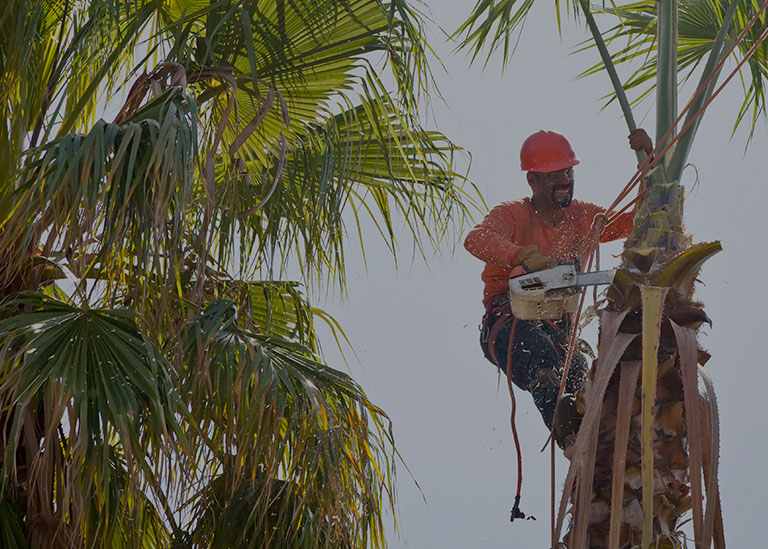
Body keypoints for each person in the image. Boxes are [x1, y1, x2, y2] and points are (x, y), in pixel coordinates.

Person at [464, 128, 653, 445]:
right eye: (554, 175)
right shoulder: (513, 214)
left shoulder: (582, 216)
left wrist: (649, 162)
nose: (565, 180)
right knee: (543, 364)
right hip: (509, 322)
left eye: (568, 171)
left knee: (587, 379)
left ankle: (604, 446)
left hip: (557, 332)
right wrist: (520, 255)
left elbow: (637, 220)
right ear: (533, 181)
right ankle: (571, 434)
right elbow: (475, 239)